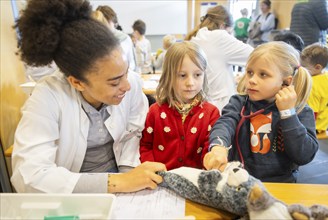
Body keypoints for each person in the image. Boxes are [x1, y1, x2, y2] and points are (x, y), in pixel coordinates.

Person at [11, 0, 166, 193]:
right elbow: (29, 175)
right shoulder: (47, 96)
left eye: (126, 72)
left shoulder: (131, 84)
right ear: (77, 82)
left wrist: (130, 178)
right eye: (114, 82)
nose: (126, 85)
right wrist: (118, 183)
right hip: (75, 194)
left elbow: (133, 135)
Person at [204, 41, 319, 183]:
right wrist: (218, 147)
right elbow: (225, 123)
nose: (252, 80)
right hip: (239, 182)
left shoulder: (301, 110)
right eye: (249, 72)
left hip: (281, 185)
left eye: (263, 74)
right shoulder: (239, 103)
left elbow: (304, 155)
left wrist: (288, 113)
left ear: (286, 82)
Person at [140, 41, 220, 170]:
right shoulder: (155, 111)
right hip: (162, 182)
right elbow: (145, 146)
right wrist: (152, 169)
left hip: (196, 183)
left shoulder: (211, 113)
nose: (190, 83)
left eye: (197, 75)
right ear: (168, 76)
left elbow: (209, 149)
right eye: (182, 75)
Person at [185, 5, 253, 112]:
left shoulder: (196, 37)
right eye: (230, 32)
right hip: (221, 107)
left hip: (201, 105)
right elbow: (257, 56)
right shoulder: (220, 37)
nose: (230, 36)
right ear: (222, 25)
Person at [96, 5, 136, 71]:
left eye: (107, 22)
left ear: (113, 22)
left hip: (124, 74)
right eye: (101, 22)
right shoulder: (95, 40)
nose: (105, 25)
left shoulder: (125, 39)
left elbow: (132, 63)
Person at [301, 43, 328, 134]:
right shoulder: (326, 75)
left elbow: (312, 112)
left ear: (318, 67)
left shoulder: (313, 84)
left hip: (313, 126)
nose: (301, 69)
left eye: (304, 67)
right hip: (324, 123)